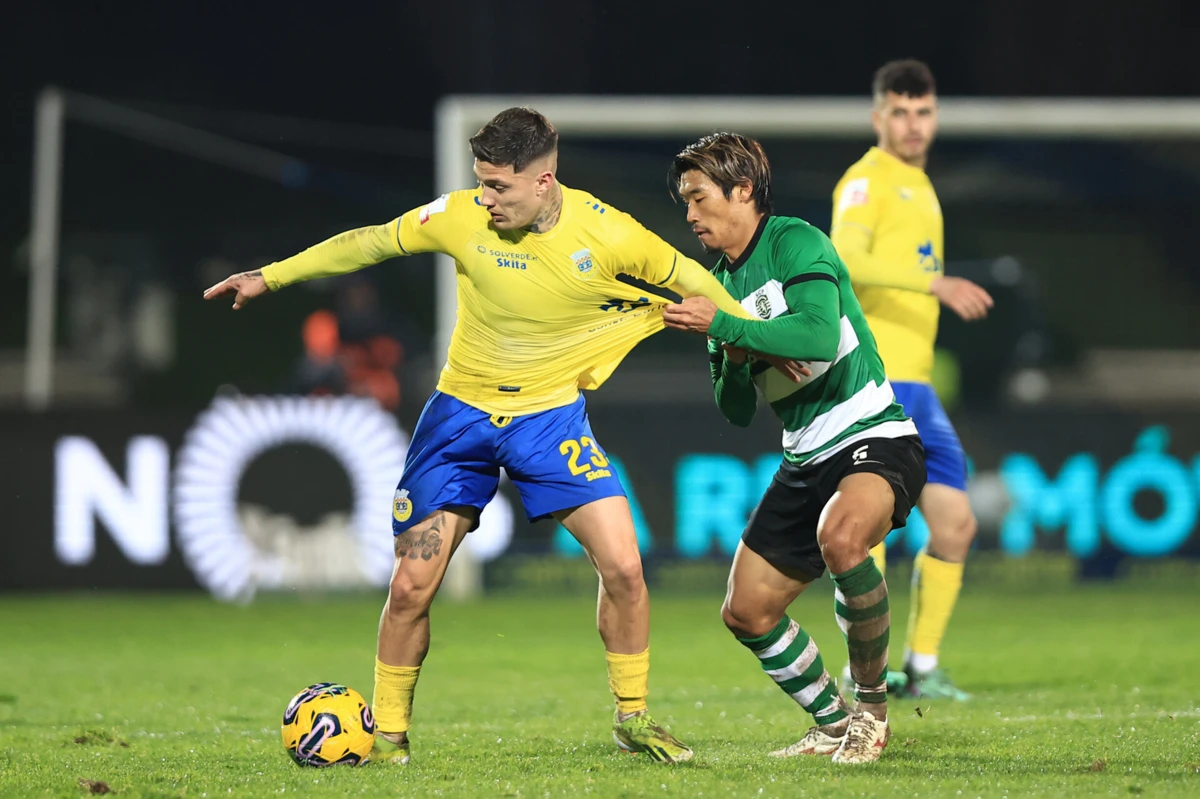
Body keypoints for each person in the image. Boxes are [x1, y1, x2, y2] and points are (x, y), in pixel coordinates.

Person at [204, 107, 801, 765]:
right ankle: (391, 738)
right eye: (481, 183)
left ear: (544, 180)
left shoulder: (607, 233)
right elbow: (371, 240)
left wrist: (757, 335)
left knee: (627, 567)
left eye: (499, 187)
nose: (485, 199)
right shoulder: (459, 217)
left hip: (550, 422)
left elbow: (694, 279)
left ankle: (633, 716)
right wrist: (272, 274)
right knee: (410, 588)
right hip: (458, 420)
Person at [662, 132, 926, 764]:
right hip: (803, 456)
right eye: (685, 202)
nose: (690, 214)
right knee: (745, 611)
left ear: (743, 191)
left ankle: (871, 710)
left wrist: (725, 326)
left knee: (843, 538)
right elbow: (736, 410)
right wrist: (726, 355)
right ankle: (833, 722)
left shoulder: (795, 240)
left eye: (699, 198)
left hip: (872, 433)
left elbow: (811, 335)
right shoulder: (718, 283)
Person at [830, 59, 993, 701]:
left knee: (954, 524)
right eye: (900, 111)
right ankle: (860, 669)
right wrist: (936, 283)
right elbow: (844, 257)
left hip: (918, 385)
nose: (913, 123)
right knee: (866, 530)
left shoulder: (921, 187)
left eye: (923, 112)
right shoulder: (867, 182)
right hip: (876, 378)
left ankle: (921, 667)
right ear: (878, 117)